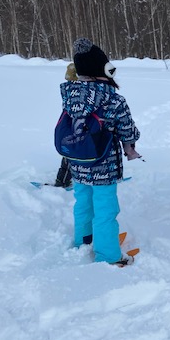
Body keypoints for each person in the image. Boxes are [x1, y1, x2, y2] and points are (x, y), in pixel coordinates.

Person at [62, 37, 141, 266]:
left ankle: (83, 241)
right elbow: (128, 130)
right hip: (103, 166)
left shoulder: (71, 95)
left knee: (83, 203)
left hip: (78, 163)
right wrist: (131, 145)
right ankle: (108, 255)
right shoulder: (113, 99)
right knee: (105, 210)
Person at [54, 63, 78, 188]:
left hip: (70, 126)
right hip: (72, 127)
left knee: (70, 155)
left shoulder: (68, 88)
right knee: (70, 156)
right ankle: (61, 181)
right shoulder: (74, 90)